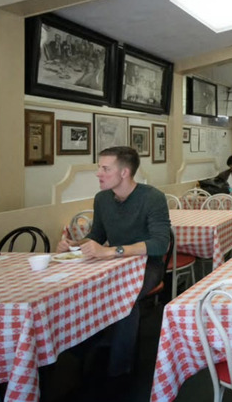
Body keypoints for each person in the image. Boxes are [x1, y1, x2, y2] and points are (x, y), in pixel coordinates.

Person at [57, 146, 170, 381]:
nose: (98, 173)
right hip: (112, 264)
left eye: (105, 168)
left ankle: (120, 371)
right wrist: (75, 244)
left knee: (124, 295)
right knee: (80, 289)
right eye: (99, 167)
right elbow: (97, 236)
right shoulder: (102, 199)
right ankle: (88, 346)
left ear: (124, 172)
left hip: (147, 266)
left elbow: (160, 244)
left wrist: (112, 251)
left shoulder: (152, 198)